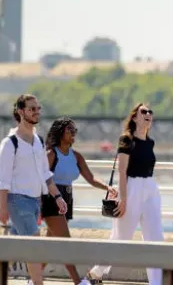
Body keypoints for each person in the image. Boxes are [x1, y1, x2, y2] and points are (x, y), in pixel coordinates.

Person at [0, 94, 68, 285]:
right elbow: (3, 179)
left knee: (12, 250)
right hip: (17, 201)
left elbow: (45, 173)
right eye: (31, 109)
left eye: (38, 108)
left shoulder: (38, 141)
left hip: (35, 202)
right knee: (33, 247)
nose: (36, 112)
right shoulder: (10, 143)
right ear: (20, 112)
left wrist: (58, 196)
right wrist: (2, 208)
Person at [84, 103, 164, 285]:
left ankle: (157, 283)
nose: (148, 114)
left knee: (156, 239)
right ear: (135, 117)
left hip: (150, 189)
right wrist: (124, 199)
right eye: (144, 111)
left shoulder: (150, 142)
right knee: (120, 239)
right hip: (131, 187)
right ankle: (94, 275)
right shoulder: (126, 140)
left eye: (150, 112)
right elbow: (122, 171)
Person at [39, 117, 117, 284]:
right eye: (70, 130)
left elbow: (90, 178)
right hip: (51, 200)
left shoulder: (76, 156)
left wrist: (107, 188)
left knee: (51, 244)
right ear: (60, 133)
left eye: (75, 130)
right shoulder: (51, 154)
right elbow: (41, 178)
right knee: (66, 244)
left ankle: (34, 278)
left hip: (66, 201)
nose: (74, 133)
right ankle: (78, 281)